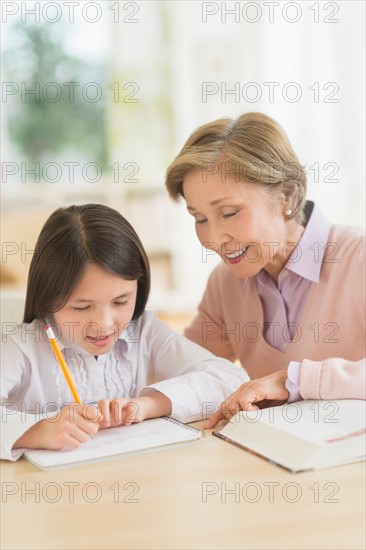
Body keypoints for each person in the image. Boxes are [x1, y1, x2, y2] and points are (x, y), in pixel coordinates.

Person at [0, 203, 249, 461]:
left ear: (138, 288)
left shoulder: (142, 331)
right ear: (49, 298)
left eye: (121, 302)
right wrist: (36, 432)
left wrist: (145, 406)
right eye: (82, 307)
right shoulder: (23, 346)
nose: (105, 325)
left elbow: (231, 380)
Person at [165, 111, 365, 428]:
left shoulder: (359, 259)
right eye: (199, 219)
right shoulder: (225, 282)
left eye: (229, 212)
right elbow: (183, 368)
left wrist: (293, 379)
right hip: (277, 463)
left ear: (287, 195)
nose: (213, 239)